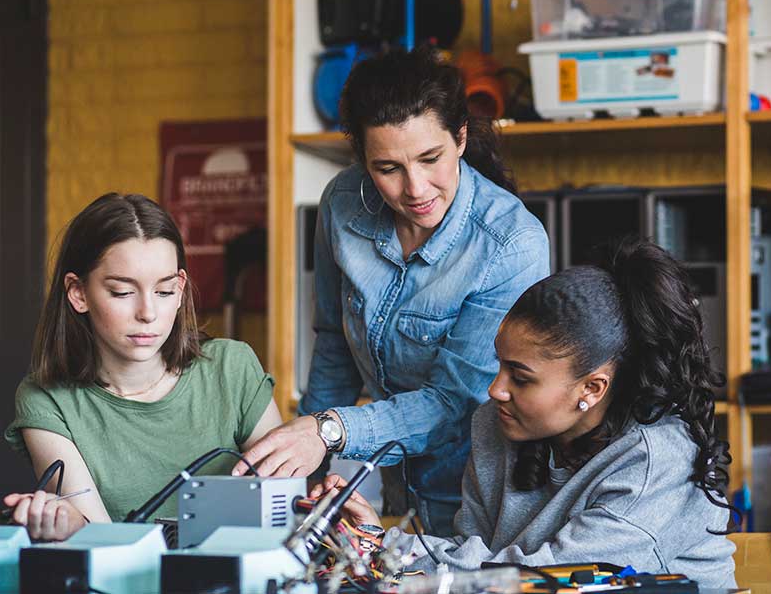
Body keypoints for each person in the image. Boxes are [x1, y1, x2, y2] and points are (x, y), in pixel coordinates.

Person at [232, 47, 551, 536]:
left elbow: (454, 404)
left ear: (460, 138)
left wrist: (328, 432)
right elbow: (334, 343)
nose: (416, 188)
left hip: (480, 494)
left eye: (431, 158)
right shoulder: (342, 205)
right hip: (394, 483)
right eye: (388, 169)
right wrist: (305, 475)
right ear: (362, 160)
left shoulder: (511, 245)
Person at [312, 238, 738, 589]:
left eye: (521, 377)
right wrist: (372, 545)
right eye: (499, 365)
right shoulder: (495, 426)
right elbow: (473, 557)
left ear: (592, 387)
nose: (496, 389)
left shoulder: (655, 458)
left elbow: (556, 581)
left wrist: (391, 552)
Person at [3, 193, 281, 541]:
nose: (148, 313)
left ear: (180, 290)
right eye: (122, 292)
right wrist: (70, 526)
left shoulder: (232, 369)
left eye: (164, 292)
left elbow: (281, 511)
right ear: (78, 293)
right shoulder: (47, 399)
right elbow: (101, 540)